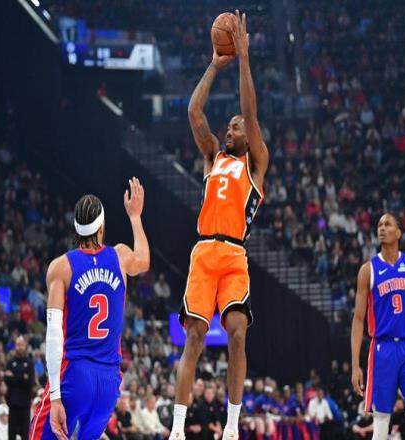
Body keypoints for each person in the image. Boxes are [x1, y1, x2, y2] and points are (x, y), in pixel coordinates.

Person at [171, 10, 269, 440]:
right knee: (194, 337)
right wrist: (214, 64)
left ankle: (231, 428)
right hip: (204, 251)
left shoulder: (256, 163)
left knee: (237, 334)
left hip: (233, 255)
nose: (230, 128)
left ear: (249, 135)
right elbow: (194, 111)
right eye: (228, 126)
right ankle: (177, 430)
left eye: (236, 127)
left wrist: (244, 57)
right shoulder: (213, 156)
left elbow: (250, 110)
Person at [30, 178, 150, 439]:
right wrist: (135, 217)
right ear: (102, 226)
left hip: (76, 373)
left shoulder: (62, 267)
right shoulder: (120, 256)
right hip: (109, 381)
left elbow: (54, 335)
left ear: (76, 226)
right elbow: (144, 260)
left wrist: (55, 397)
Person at [351, 213, 405, 440]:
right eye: (379, 225)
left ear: (398, 232)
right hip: (382, 350)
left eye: (387, 224)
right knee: (381, 425)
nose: (381, 228)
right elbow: (358, 320)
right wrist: (355, 365)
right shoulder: (368, 270)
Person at [5, 335, 35, 440]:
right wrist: (22, 377)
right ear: (15, 346)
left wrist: (14, 377)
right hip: (13, 403)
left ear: (25, 346)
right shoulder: (10, 362)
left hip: (25, 404)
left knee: (25, 435)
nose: (20, 347)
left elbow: (30, 382)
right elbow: (7, 380)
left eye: (22, 345)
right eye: (18, 345)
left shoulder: (29, 363)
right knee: (11, 434)